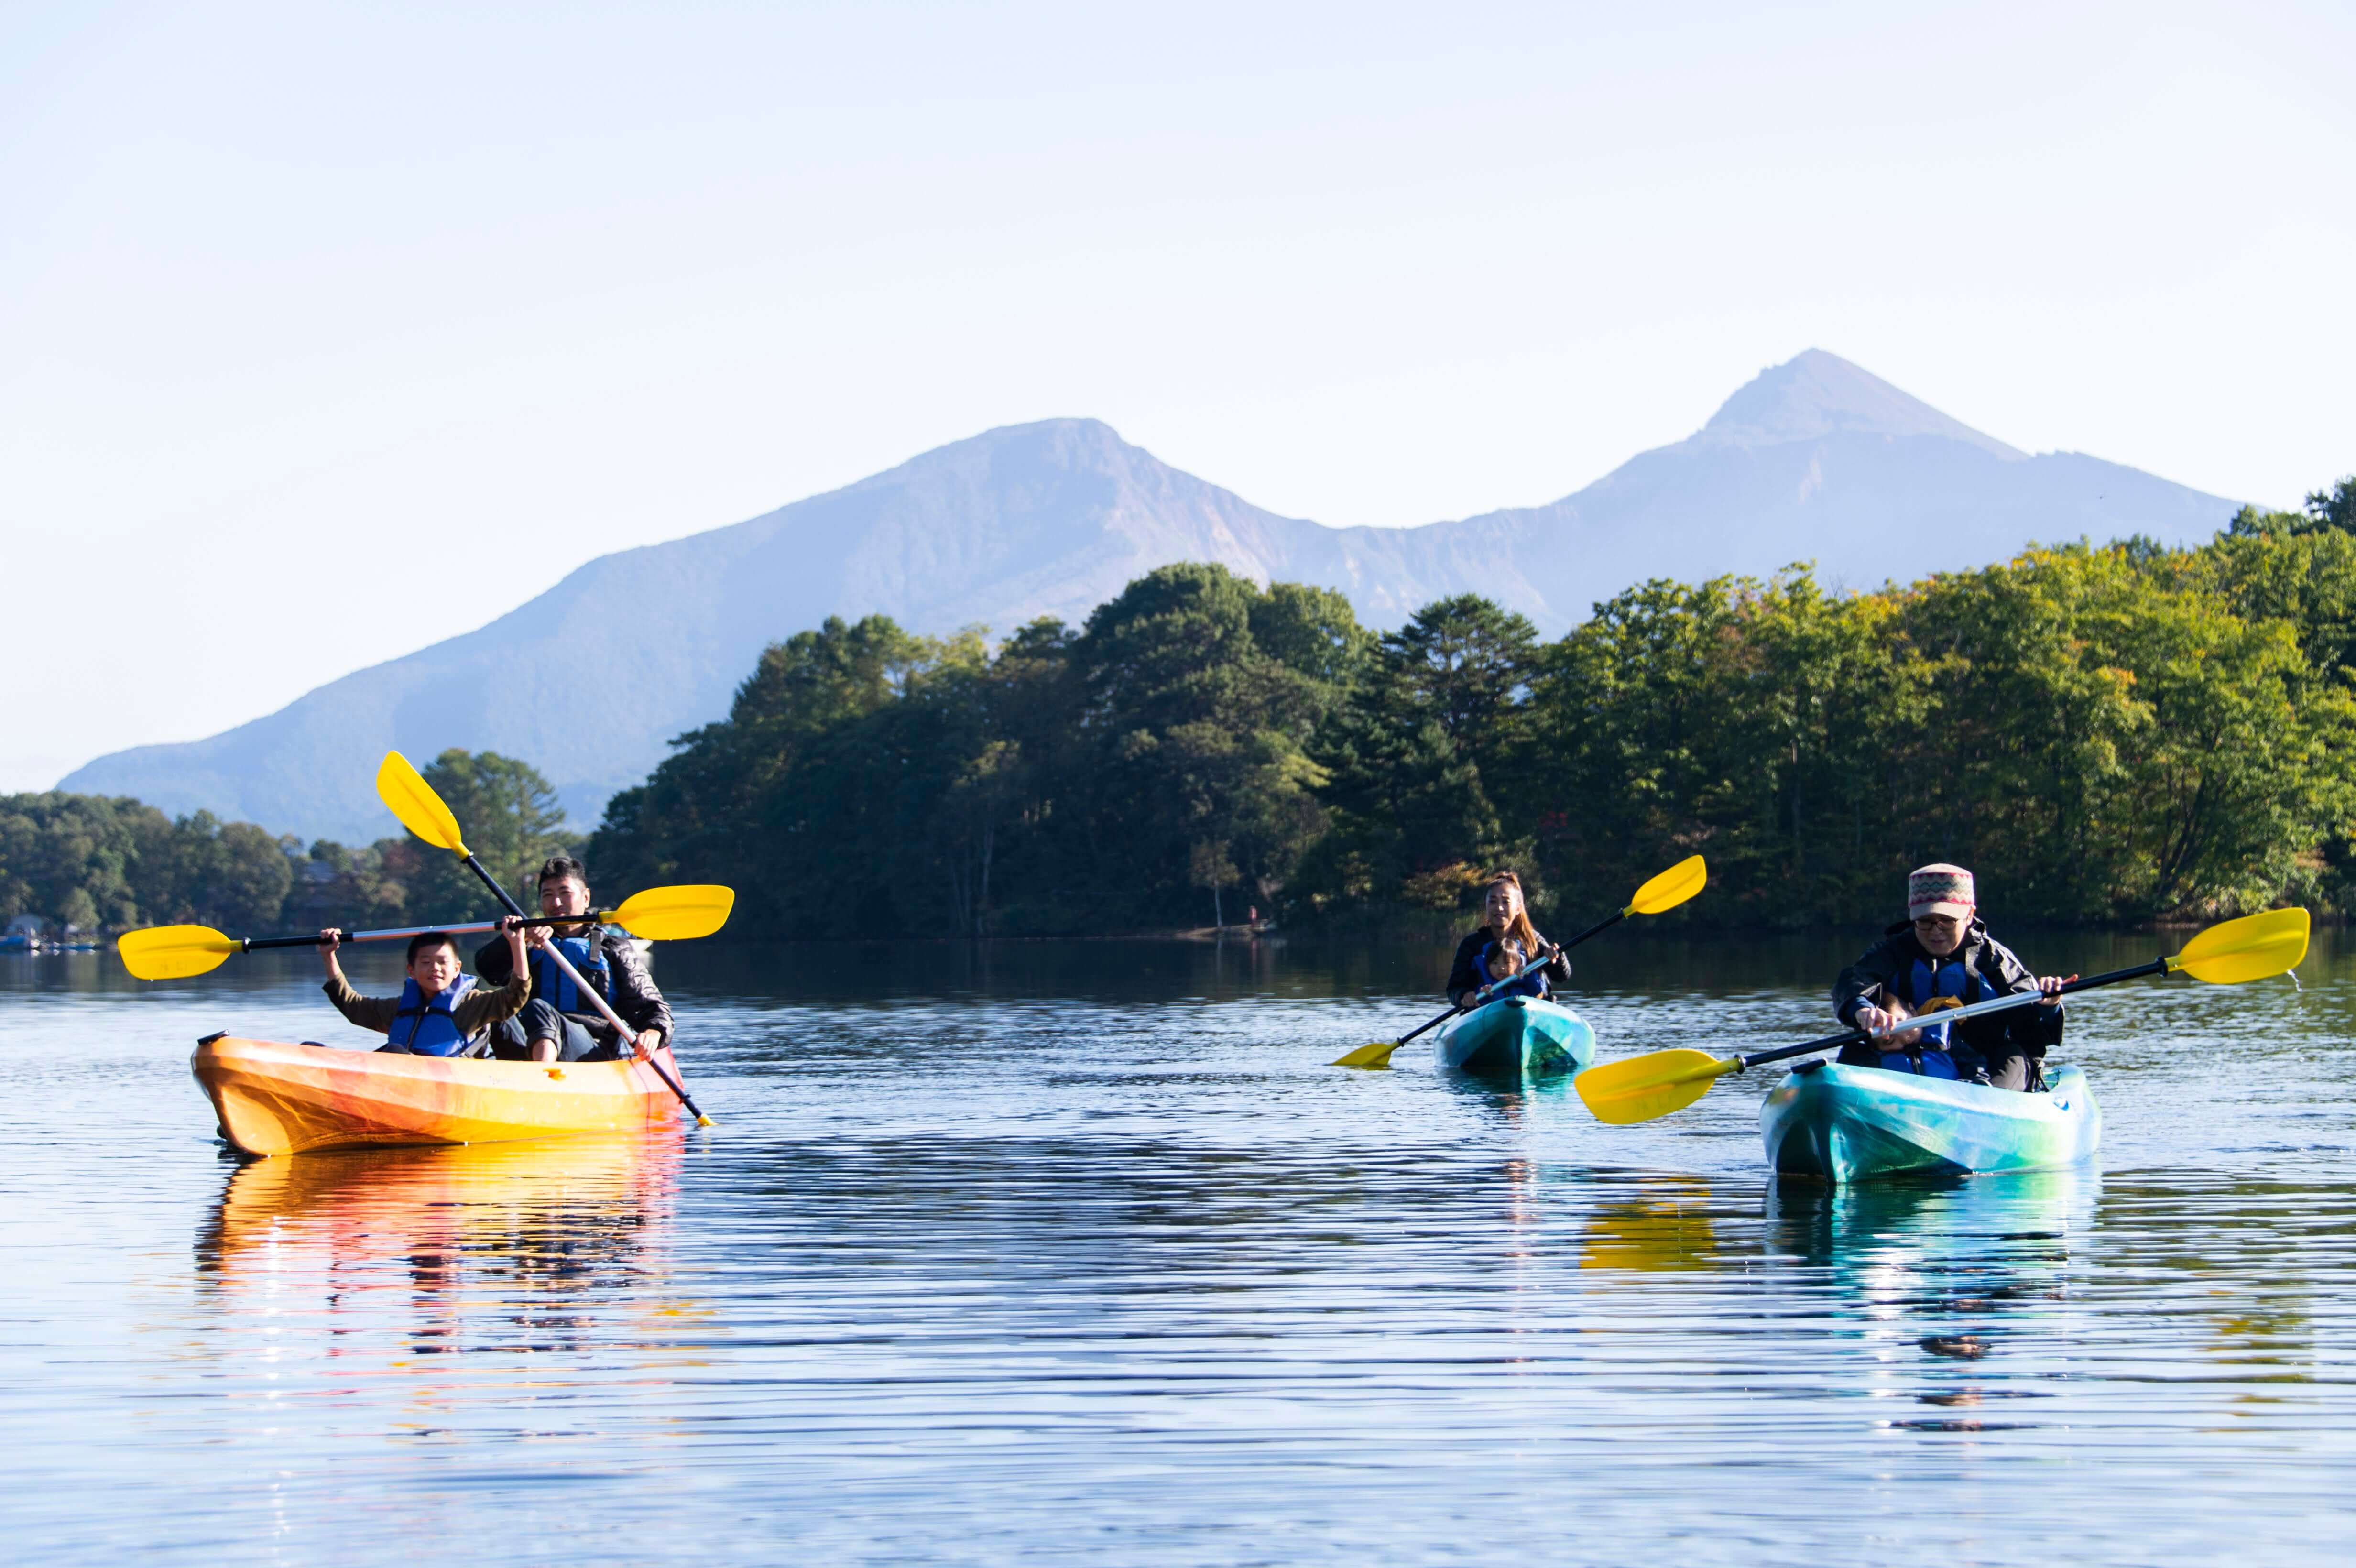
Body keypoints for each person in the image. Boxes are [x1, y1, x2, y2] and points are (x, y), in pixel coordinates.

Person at [1832, 863, 2066, 1090]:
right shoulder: (1891, 953)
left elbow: (2033, 1028)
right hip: (1902, 1064)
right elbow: (1854, 982)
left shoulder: (1994, 960)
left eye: (1947, 920)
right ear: (1913, 917)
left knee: (2014, 1054)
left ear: (1969, 914)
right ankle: (1852, 1109)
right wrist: (1862, 1009)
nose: (1936, 931)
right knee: (1854, 1051)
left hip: (1985, 1063)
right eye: (1925, 921)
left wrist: (2049, 1006)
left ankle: (1985, 1105)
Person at [476, 855, 674, 1063]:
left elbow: (654, 1008)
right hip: (531, 1041)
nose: (556, 903)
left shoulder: (612, 948)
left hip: (592, 1048)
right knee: (495, 1013)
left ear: (586, 898)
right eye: (548, 895)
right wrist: (516, 938)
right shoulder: (528, 941)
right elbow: (488, 970)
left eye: (565, 893)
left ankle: (541, 1078)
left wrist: (653, 1032)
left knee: (540, 1009)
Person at [321, 919, 531, 1056]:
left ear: (457, 968)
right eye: (426, 962)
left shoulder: (473, 1004)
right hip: (399, 1080)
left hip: (447, 1084)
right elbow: (352, 1006)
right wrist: (329, 955)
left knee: (395, 1051)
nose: (435, 969)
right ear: (411, 971)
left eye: (442, 962)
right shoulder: (398, 1008)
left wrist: (517, 943)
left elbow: (515, 996)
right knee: (313, 1050)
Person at [1446, 871, 1571, 1011]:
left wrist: (1557, 957)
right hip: (1486, 1013)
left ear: (1518, 908)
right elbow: (1454, 989)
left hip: (1533, 1012)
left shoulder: (1532, 939)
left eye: (1506, 902)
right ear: (1486, 906)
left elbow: (1562, 976)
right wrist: (1464, 995)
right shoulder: (1471, 944)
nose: (1499, 908)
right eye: (1493, 901)